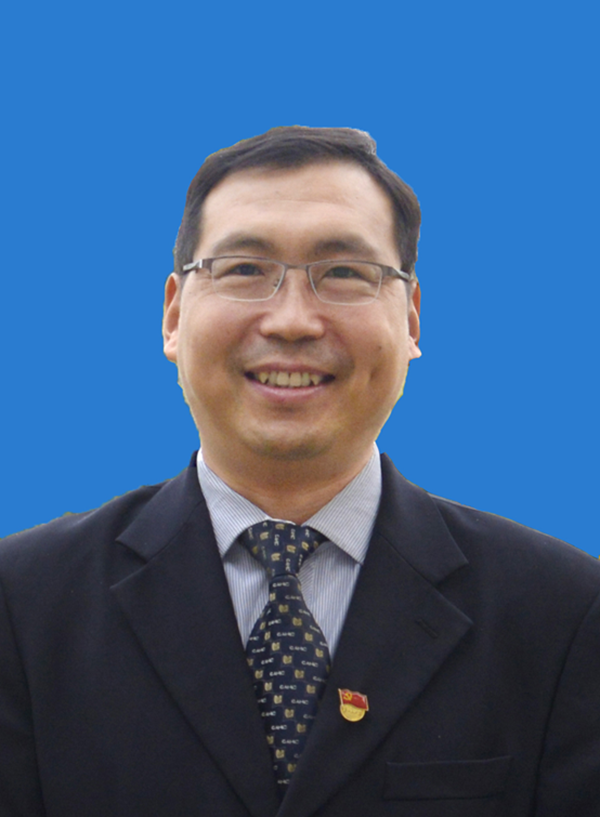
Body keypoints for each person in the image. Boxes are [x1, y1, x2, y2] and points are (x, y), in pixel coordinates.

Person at [1, 127, 599, 817]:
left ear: (410, 319)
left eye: (343, 272)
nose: (291, 321)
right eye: (244, 269)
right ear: (173, 314)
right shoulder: (23, 606)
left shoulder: (562, 614)